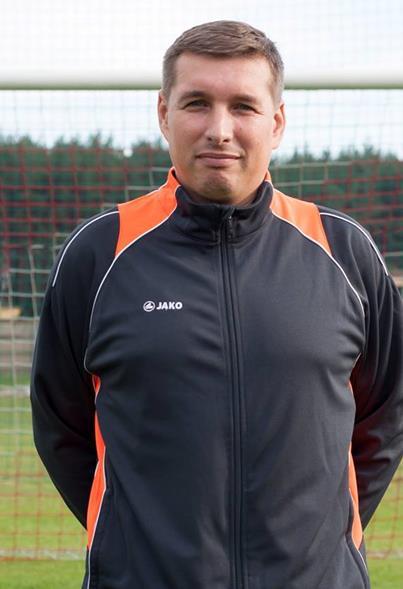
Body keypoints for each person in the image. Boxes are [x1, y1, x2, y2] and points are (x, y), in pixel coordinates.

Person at [30, 20, 402, 589]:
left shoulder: (344, 252)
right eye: (197, 103)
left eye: (244, 107)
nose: (219, 129)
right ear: (163, 114)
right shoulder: (99, 254)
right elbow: (61, 424)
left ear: (276, 122)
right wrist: (135, 545)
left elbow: (387, 412)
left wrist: (325, 542)